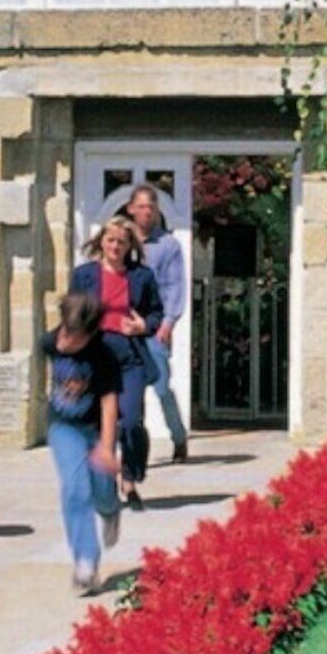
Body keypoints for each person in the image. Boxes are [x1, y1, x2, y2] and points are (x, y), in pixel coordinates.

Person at [39, 288, 126, 591]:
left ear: (91, 334)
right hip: (64, 426)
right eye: (65, 332)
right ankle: (85, 560)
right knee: (75, 489)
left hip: (97, 429)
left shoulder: (104, 354)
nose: (67, 341)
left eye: (75, 337)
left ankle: (110, 510)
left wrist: (106, 448)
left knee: (102, 489)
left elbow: (109, 403)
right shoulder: (49, 342)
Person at [71, 214, 162, 503]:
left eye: (121, 242)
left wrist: (143, 325)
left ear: (129, 246)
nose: (115, 246)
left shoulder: (142, 276)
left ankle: (130, 476)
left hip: (130, 358)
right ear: (101, 242)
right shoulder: (84, 276)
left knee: (131, 422)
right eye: (110, 240)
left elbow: (156, 313)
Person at [125, 184, 190, 461]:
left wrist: (168, 324)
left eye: (151, 207)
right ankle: (135, 449)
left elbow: (175, 286)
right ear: (131, 209)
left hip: (154, 328)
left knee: (161, 387)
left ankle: (179, 437)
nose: (146, 212)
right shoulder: (122, 241)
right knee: (131, 391)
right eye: (141, 207)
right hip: (126, 327)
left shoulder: (168, 245)